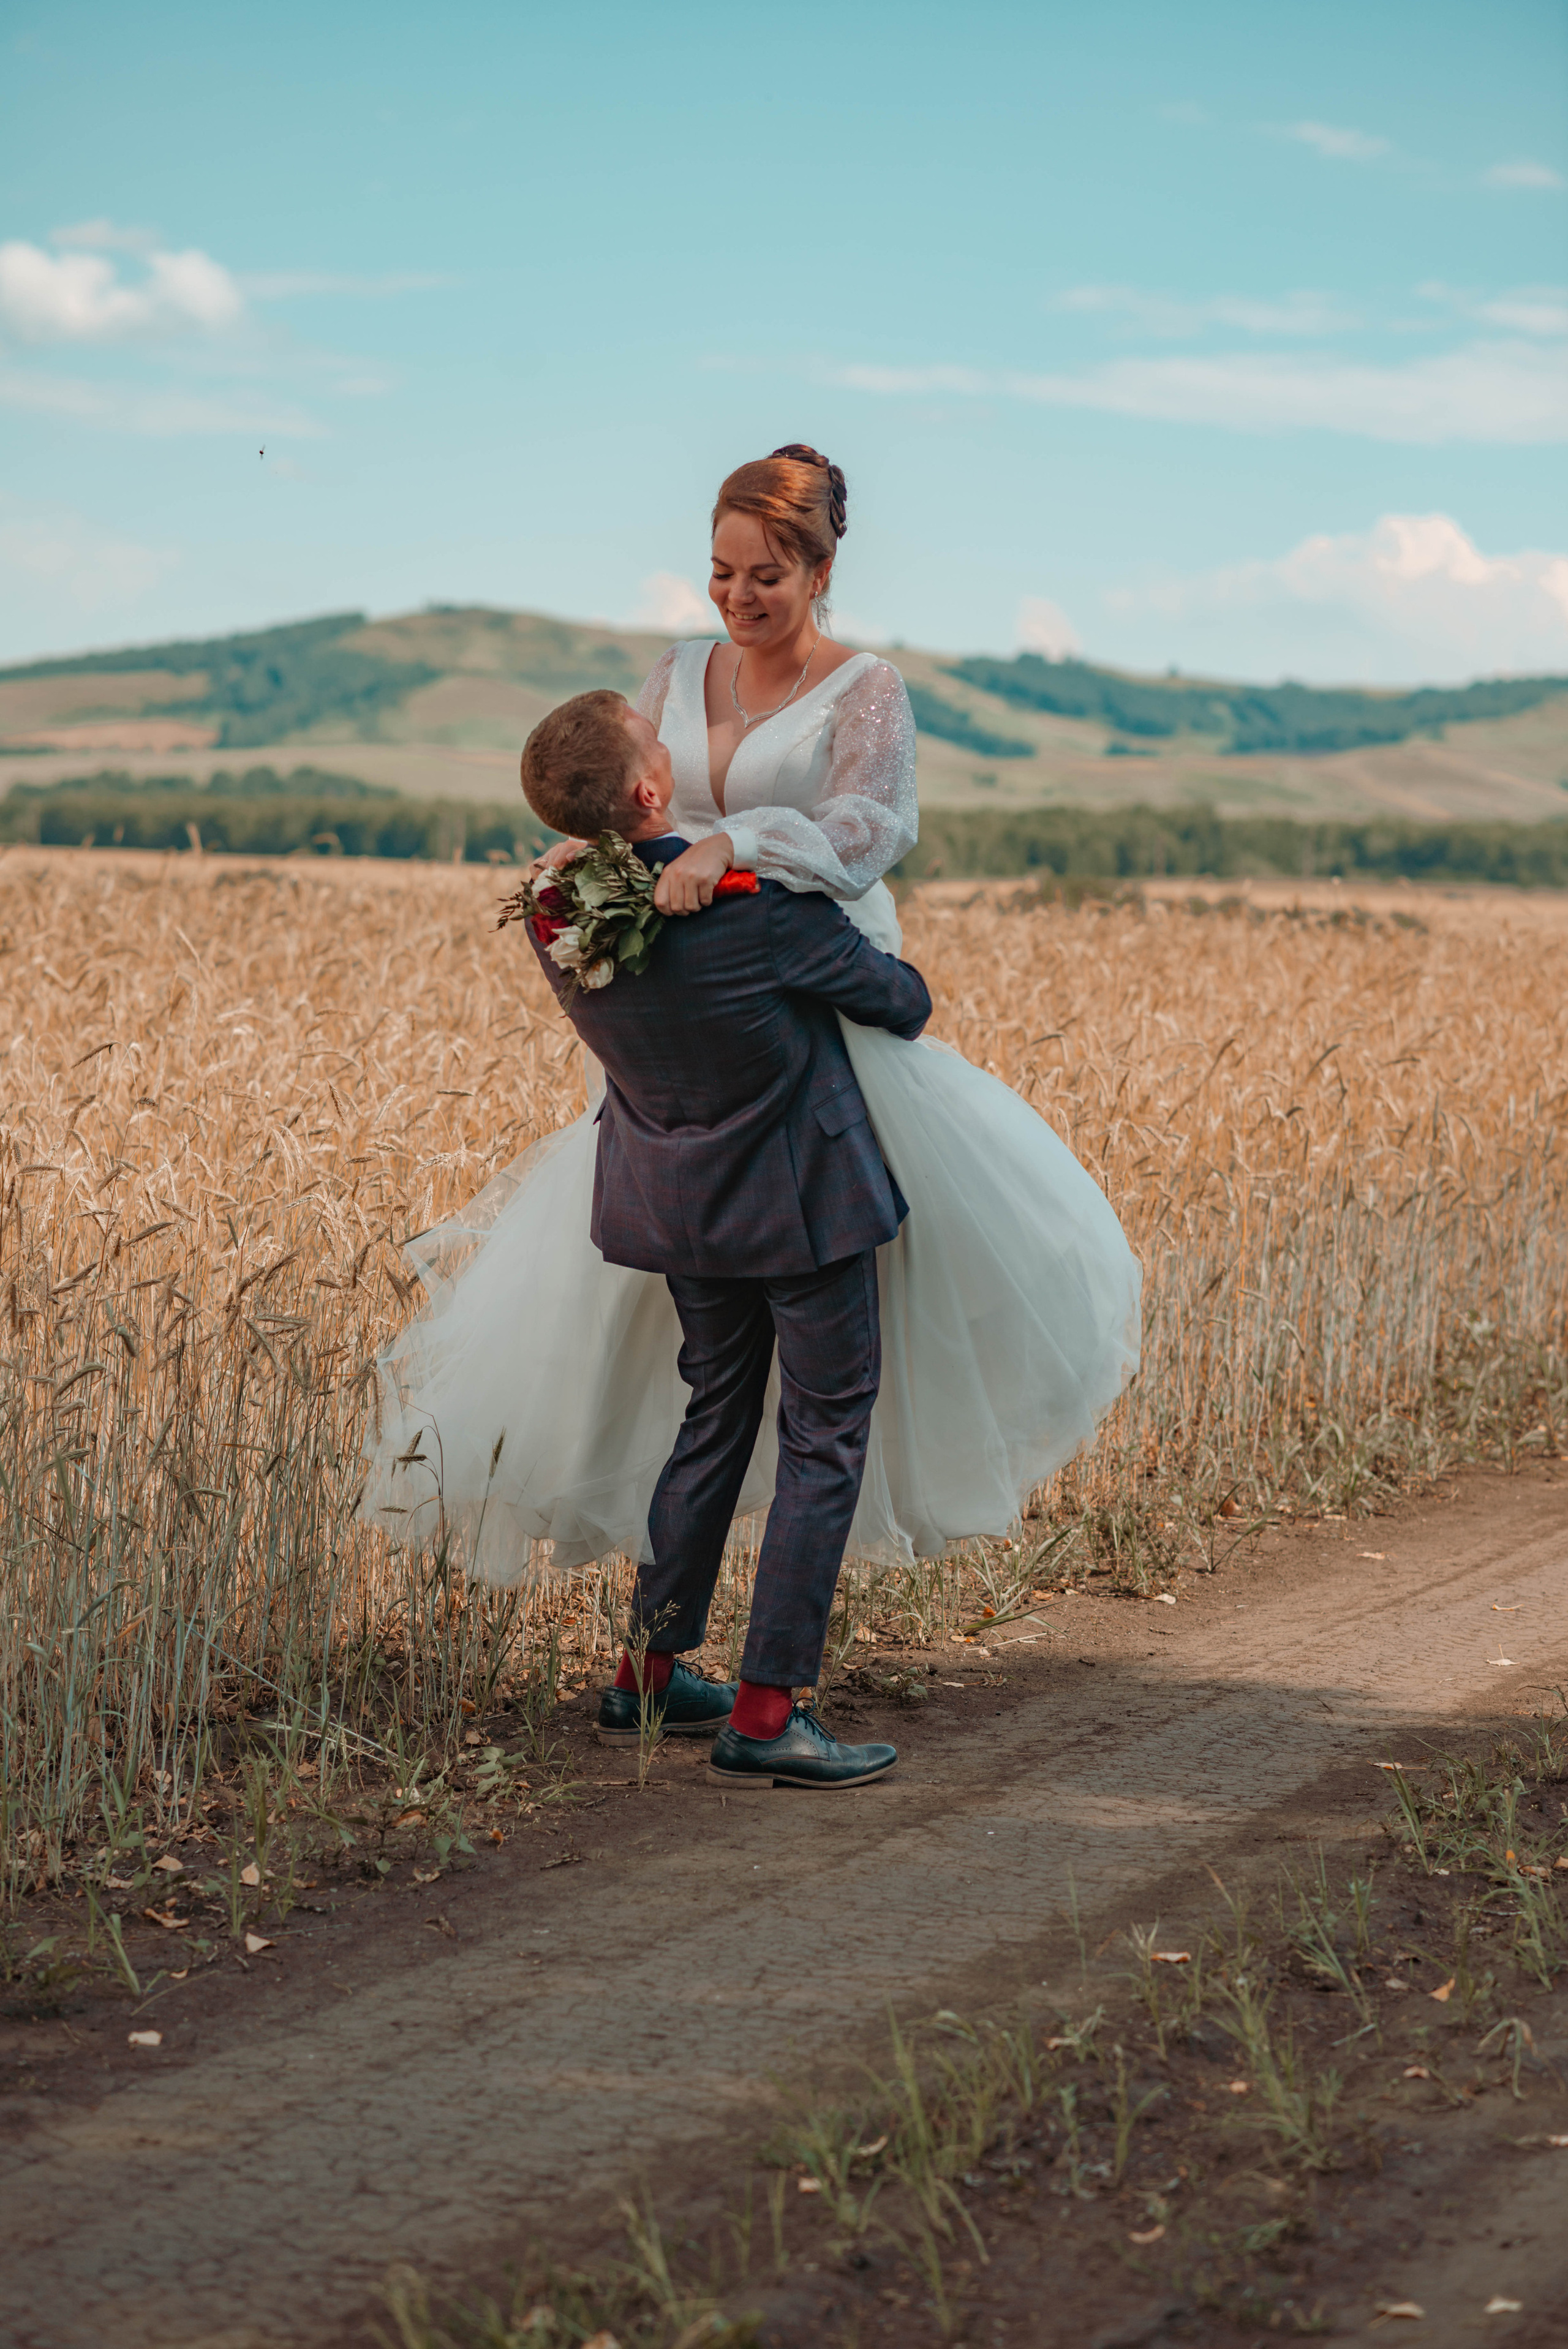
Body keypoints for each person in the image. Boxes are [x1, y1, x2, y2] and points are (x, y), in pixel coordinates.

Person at [361, 447, 1140, 1615]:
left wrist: (742, 845)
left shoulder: (867, 687)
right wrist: (598, 861)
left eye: (766, 575)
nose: (736, 597)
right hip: (697, 1027)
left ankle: (675, 1654)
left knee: (842, 1327)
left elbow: (870, 828)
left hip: (816, 999)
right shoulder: (675, 671)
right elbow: (625, 797)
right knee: (718, 1379)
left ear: (822, 569)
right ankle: (737, 1677)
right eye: (720, 571)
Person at [518, 689, 931, 1789]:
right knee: (825, 1432)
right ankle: (764, 1709)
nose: (680, 752)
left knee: (713, 1415)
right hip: (803, 1205)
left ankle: (648, 1674)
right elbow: (902, 1002)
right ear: (651, 791)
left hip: (676, 1205)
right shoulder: (760, 910)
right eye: (661, 746)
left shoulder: (557, 914)